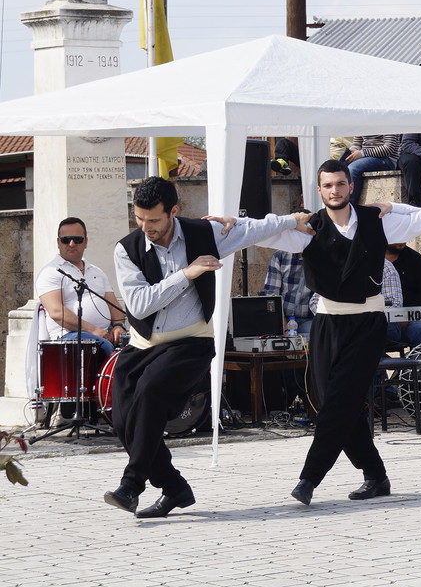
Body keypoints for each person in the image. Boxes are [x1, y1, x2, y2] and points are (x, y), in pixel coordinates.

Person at [261, 159, 421, 506]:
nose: (335, 190)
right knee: (334, 404)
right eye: (328, 185)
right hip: (327, 324)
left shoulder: (377, 220)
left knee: (340, 402)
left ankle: (309, 478)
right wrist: (269, 221)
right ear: (319, 190)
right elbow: (259, 231)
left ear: (351, 186)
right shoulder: (308, 228)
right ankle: (375, 475)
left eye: (340, 184)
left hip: (367, 323)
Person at [105, 177, 310, 518]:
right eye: (139, 218)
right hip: (142, 344)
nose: (145, 227)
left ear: (173, 211)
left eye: (153, 219)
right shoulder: (126, 249)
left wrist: (292, 220)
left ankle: (131, 485)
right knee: (124, 422)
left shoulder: (204, 234)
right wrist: (187, 274)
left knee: (150, 394)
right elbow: (139, 305)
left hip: (191, 341)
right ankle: (174, 487)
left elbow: (253, 230)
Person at [37, 217, 126, 358]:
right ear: (58, 242)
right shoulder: (50, 272)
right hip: (70, 337)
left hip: (104, 334)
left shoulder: (97, 272)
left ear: (86, 242)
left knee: (139, 347)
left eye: (77, 239)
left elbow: (114, 307)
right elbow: (57, 312)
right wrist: (93, 330)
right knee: (103, 346)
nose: (71, 244)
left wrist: (118, 326)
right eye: (66, 240)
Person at [383, 243, 421, 349]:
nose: (402, 240)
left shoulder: (414, 259)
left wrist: (407, 315)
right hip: (379, 319)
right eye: (397, 235)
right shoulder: (367, 257)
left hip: (412, 319)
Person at [262, 250, 314, 335]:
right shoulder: (279, 256)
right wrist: (282, 322)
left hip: (309, 319)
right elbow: (271, 295)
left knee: (314, 336)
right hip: (282, 317)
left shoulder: (321, 258)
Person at [345, 134, 401, 204]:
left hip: (386, 159)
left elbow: (389, 148)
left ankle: (350, 205)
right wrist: (353, 151)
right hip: (364, 156)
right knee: (338, 168)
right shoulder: (360, 126)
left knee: (353, 169)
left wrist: (362, 153)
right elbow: (357, 143)